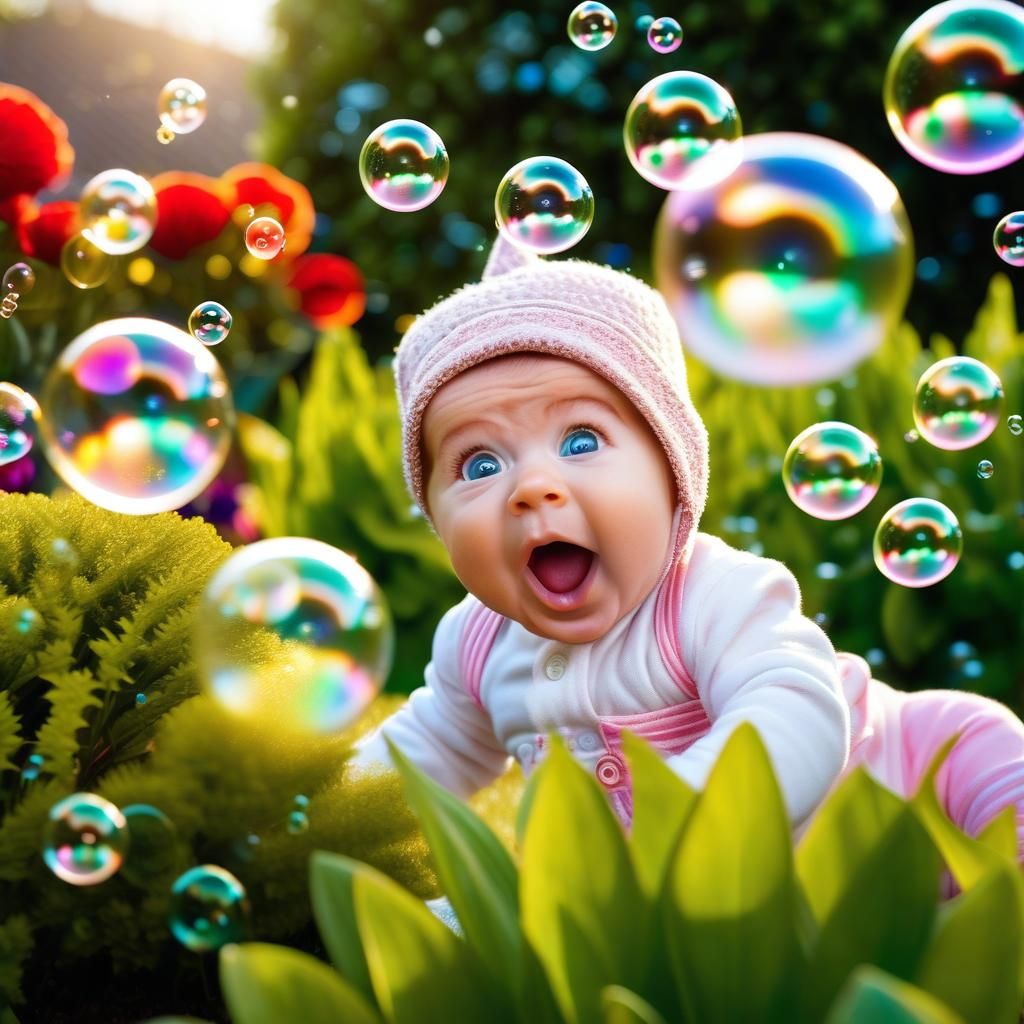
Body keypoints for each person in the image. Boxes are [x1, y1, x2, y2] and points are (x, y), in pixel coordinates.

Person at [348, 233, 1024, 869]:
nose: (531, 488)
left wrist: (666, 828)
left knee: (992, 766)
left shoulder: (714, 595)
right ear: (432, 512)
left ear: (673, 471)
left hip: (918, 779)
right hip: (756, 909)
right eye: (478, 464)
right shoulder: (477, 645)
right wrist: (324, 816)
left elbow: (794, 708)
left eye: (581, 441)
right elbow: (426, 749)